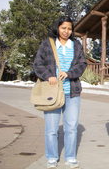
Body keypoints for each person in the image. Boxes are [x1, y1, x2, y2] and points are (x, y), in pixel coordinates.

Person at [33, 16, 87, 169]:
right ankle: (51, 157)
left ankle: (70, 157)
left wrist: (70, 73)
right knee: (51, 129)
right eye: (63, 28)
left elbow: (82, 64)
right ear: (57, 28)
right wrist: (48, 76)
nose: (66, 31)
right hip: (52, 93)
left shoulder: (76, 45)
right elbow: (37, 64)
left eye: (69, 28)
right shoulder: (47, 44)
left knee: (71, 128)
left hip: (72, 92)